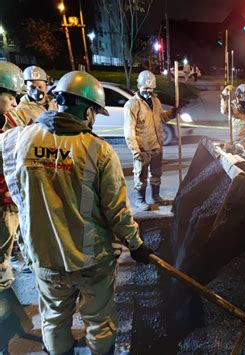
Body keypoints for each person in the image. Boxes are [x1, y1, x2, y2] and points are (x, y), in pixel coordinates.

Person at [0, 71, 155, 354]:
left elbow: (13, 191)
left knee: (54, 320)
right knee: (99, 322)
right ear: (86, 110)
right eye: (94, 111)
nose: (94, 118)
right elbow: (117, 211)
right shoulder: (98, 150)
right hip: (91, 259)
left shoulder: (18, 140)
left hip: (44, 258)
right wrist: (135, 244)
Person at [124, 70, 177, 211]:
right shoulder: (132, 105)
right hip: (142, 149)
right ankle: (140, 200)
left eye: (150, 88)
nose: (148, 91)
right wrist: (135, 151)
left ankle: (155, 196)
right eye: (145, 88)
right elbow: (129, 131)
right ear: (139, 86)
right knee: (141, 176)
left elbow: (162, 118)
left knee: (156, 173)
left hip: (157, 146)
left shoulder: (155, 101)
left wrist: (172, 113)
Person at [0, 61, 24, 291]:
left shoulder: (11, 120)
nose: (15, 102)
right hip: (2, 202)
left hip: (12, 200)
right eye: (11, 96)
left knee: (7, 248)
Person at [220, 83, 245, 148]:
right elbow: (223, 110)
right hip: (238, 141)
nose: (244, 104)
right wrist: (225, 93)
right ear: (237, 97)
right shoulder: (232, 106)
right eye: (242, 101)